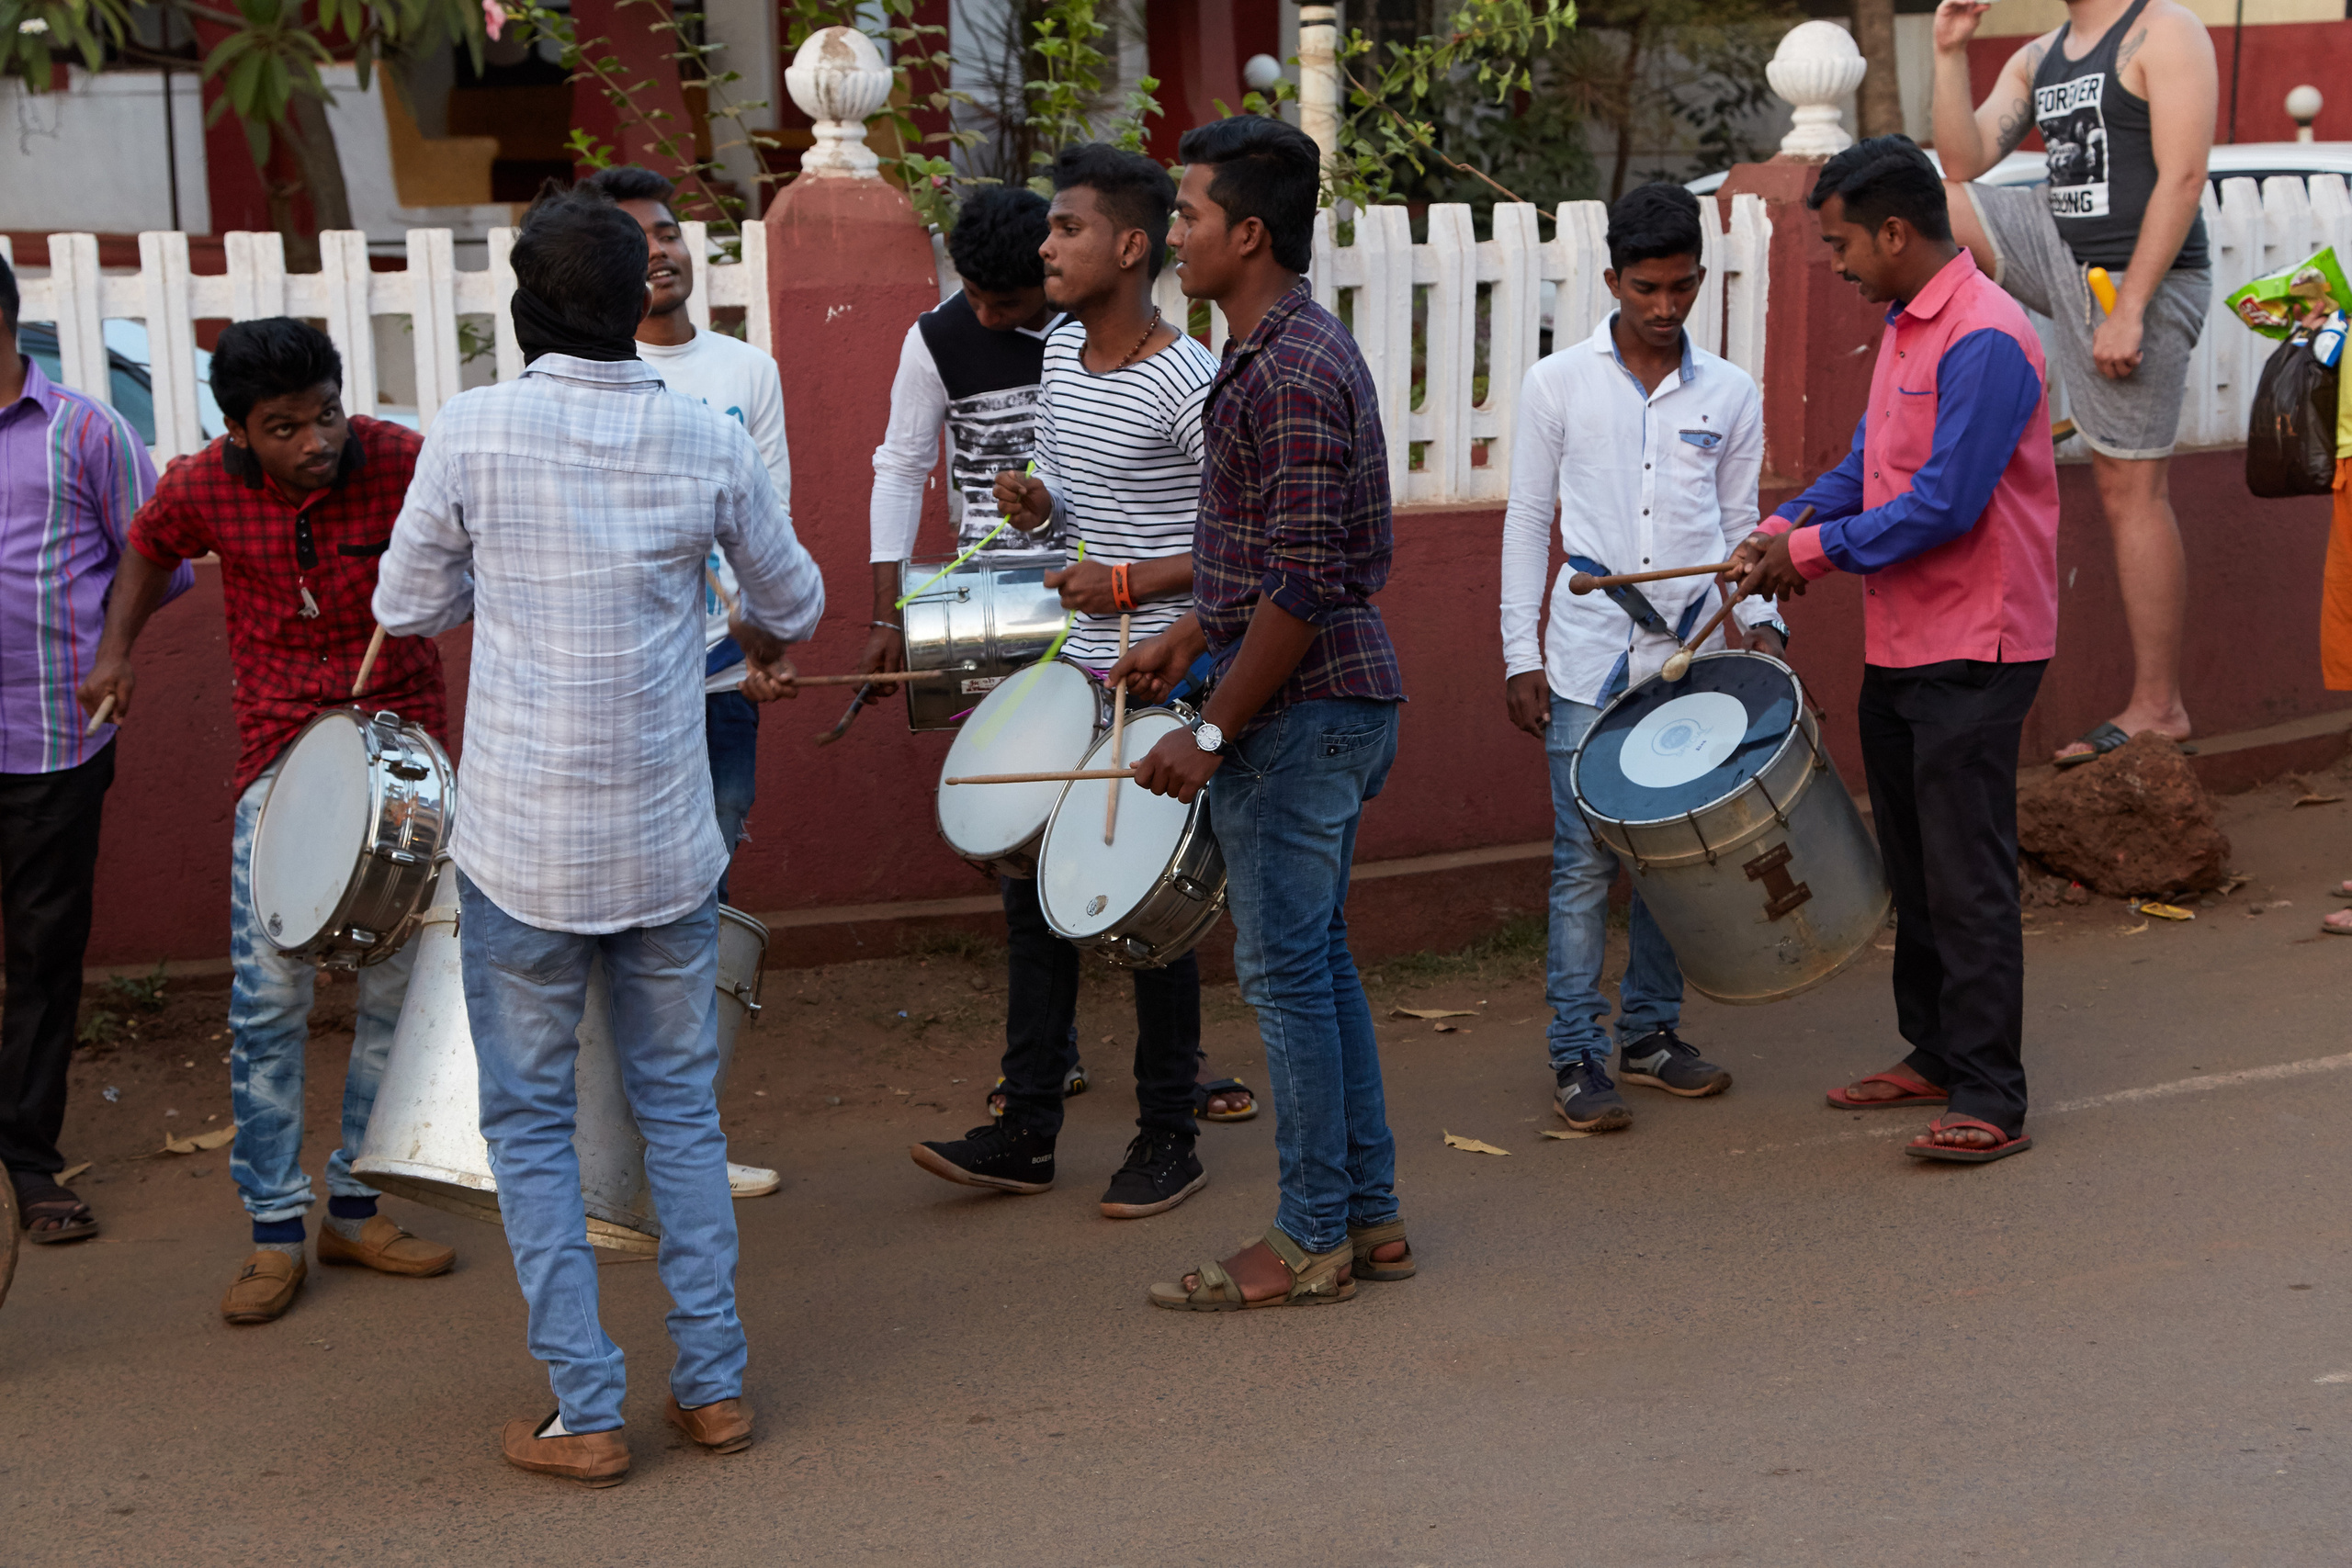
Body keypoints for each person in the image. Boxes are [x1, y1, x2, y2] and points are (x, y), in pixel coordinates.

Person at [373, 185, 823, 1486]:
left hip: (521, 844)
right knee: (678, 1111)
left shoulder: (472, 430)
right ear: (640, 301)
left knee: (529, 1123)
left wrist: (497, 571)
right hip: (666, 838)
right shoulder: (701, 433)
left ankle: (586, 1408)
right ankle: (714, 1387)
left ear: (524, 306)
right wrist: (733, 620)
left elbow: (409, 603)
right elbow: (794, 601)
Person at [79, 317, 457, 1323]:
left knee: (396, 994)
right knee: (267, 1001)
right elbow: (147, 545)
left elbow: (482, 542)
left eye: (326, 414)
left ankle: (356, 1207)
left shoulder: (405, 461)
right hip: (281, 761)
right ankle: (275, 1229)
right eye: (284, 427)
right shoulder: (203, 485)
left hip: (405, 758)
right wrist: (115, 653)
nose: (316, 441)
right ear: (240, 432)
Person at [1114, 114, 1413, 1307]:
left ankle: (1308, 1238)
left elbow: (1302, 581)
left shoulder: (1287, 368)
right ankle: (1368, 1214)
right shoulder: (1270, 350)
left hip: (1303, 712)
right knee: (1315, 963)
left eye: (1186, 215)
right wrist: (1193, 632)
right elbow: (1268, 562)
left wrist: (1210, 730)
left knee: (1286, 979)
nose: (1171, 235)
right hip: (1316, 700)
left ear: (1246, 233)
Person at [910, 142, 1229, 1222]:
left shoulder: (1187, 381)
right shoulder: (1055, 352)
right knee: (1031, 898)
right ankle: (1028, 1131)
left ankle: (1168, 1135)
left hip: (1171, 667)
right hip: (1082, 664)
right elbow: (1074, 499)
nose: (1045, 246)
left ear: (1131, 248)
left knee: (1139, 902)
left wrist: (1131, 583)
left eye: (1067, 229)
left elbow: (1244, 543)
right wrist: (1039, 502)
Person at [1724, 137, 2058, 1165]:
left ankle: (1992, 1094)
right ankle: (1936, 1051)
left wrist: (1807, 554)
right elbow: (1869, 468)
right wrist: (1781, 526)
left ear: (1897, 232)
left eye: (1841, 244)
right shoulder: (1908, 325)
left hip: (1979, 645)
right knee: (1914, 861)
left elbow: (1945, 505)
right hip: (1906, 639)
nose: (1837, 263)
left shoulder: (1986, 335)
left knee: (1966, 873)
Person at [1498, 182, 1780, 1134]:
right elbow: (1528, 520)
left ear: (1700, 278)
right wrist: (1518, 654)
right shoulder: (1556, 383)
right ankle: (1575, 1051)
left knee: (1674, 855)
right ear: (1613, 278)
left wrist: (1761, 623)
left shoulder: (1730, 392)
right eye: (1647, 287)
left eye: (1682, 287)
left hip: (1693, 653)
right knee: (1583, 863)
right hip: (1584, 657)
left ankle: (1650, 1035)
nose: (1665, 306)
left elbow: (1742, 529)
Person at [1931, 0, 2214, 766]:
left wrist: (2131, 310)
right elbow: (1961, 163)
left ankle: (2160, 706)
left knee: (2129, 488)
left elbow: (2185, 176)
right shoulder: (2039, 56)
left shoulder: (2165, 31)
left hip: (2139, 278)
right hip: (2062, 251)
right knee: (1932, 202)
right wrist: (1950, 52)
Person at [583, 163, 788, 1202]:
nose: (660, 251)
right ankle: (602, 1146)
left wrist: (761, 647)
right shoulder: (584, 377)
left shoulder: (745, 371)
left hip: (718, 674)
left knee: (701, 899)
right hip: (616, 678)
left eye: (668, 231)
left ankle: (684, 1149)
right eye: (635, 240)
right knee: (608, 905)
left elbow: (769, 530)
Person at [0, 255, 189, 1246]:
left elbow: (158, 560)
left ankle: (26, 1160)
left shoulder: (87, 431)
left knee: (42, 950)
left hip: (52, 736)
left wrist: (110, 648)